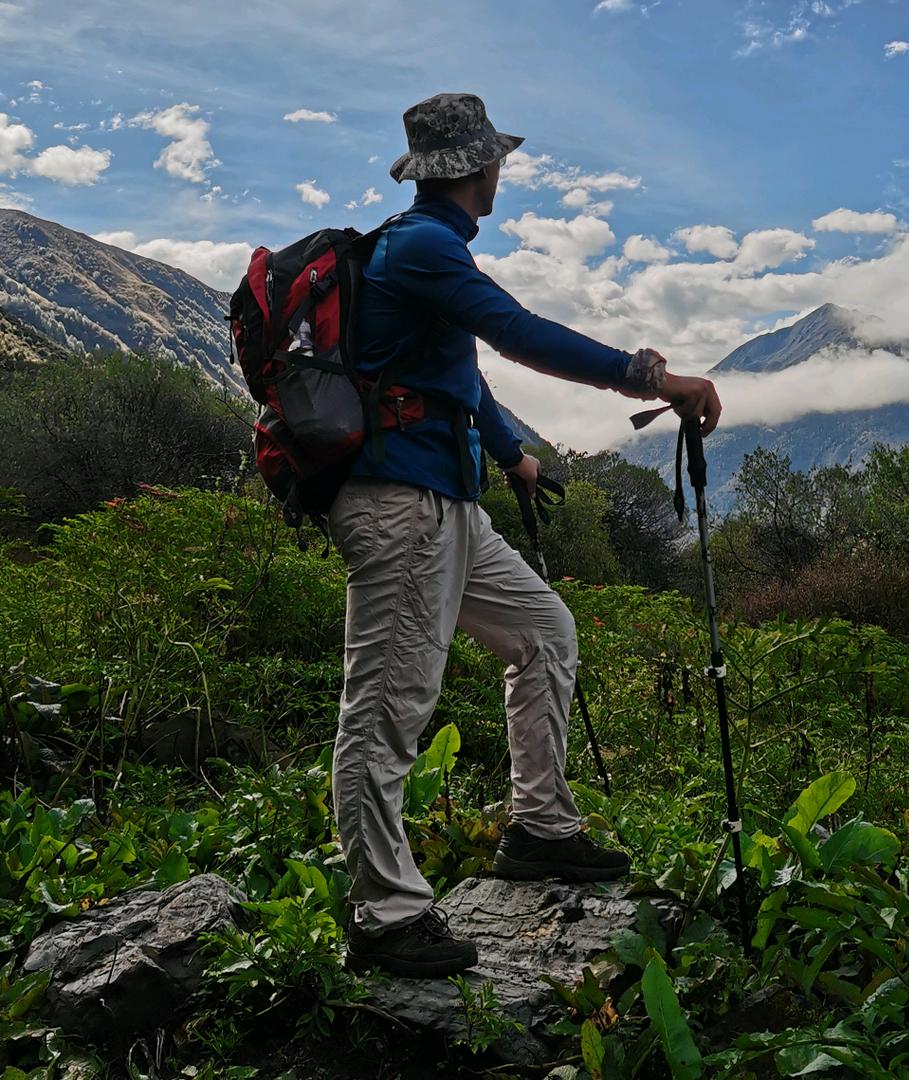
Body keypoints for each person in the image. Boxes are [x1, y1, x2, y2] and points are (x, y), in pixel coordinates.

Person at [334, 92, 722, 978]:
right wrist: (648, 376)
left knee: (545, 632)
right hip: (401, 505)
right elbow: (514, 334)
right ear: (480, 168)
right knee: (389, 707)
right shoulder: (424, 245)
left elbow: (460, 376)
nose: (500, 171)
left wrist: (514, 457)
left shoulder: (427, 253)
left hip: (447, 503)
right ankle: (384, 912)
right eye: (497, 160)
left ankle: (540, 829)